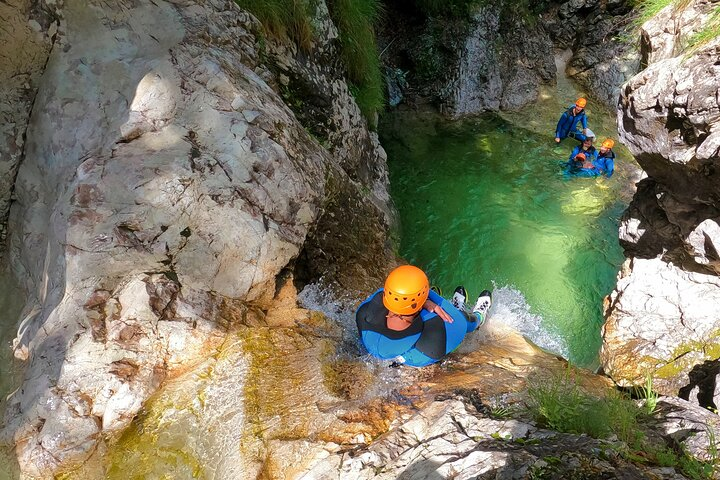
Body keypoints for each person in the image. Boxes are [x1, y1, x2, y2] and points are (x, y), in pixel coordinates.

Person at [355, 265, 492, 367]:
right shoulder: (435, 331)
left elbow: (383, 292)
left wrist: (420, 301)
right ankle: (479, 316)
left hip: (375, 344)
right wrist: (430, 301)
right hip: (418, 356)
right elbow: (460, 325)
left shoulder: (365, 310)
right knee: (460, 319)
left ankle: (419, 303)